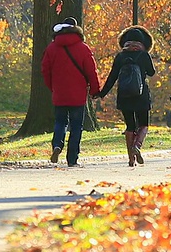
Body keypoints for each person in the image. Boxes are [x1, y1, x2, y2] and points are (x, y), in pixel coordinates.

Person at [41, 16, 101, 167]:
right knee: (76, 126)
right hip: (78, 94)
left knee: (60, 121)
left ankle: (57, 145)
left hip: (59, 92)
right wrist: (95, 90)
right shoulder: (83, 48)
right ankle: (72, 158)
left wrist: (52, 87)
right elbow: (91, 71)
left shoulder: (51, 48)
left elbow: (45, 70)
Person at [94, 25, 155, 167]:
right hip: (141, 95)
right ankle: (137, 146)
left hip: (124, 94)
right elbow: (151, 73)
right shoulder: (144, 55)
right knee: (144, 124)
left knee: (130, 126)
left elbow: (112, 77)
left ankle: (130, 159)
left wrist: (101, 93)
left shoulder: (121, 56)